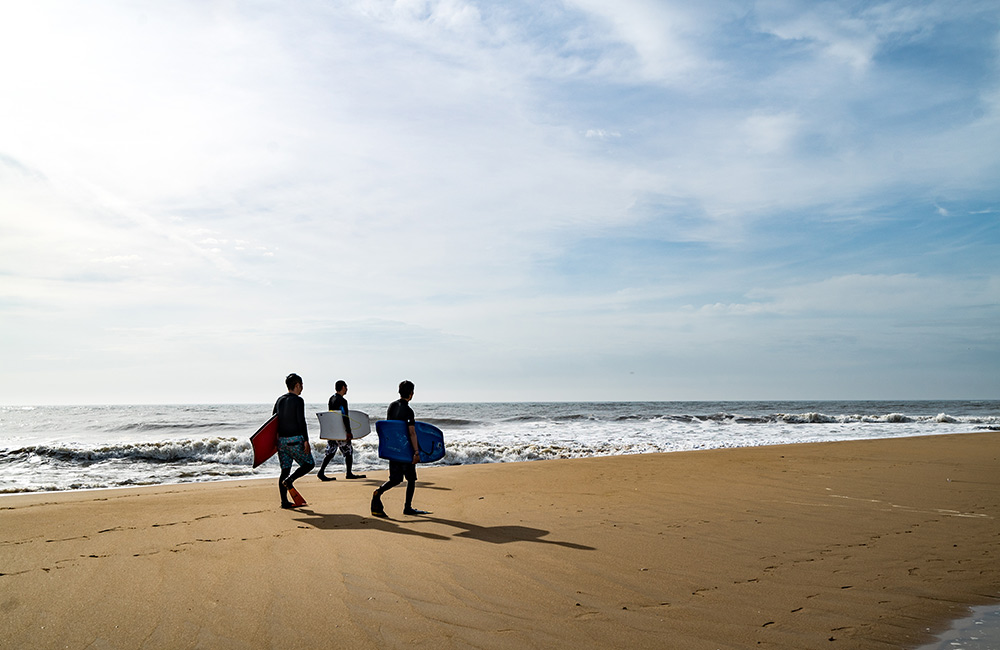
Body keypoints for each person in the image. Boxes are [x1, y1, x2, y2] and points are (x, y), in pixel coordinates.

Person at [370, 380, 427, 517]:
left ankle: (379, 492)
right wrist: (416, 452)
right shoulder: (408, 411)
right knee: (411, 479)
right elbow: (412, 432)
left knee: (395, 479)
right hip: (405, 451)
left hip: (393, 449)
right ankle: (408, 507)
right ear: (411, 394)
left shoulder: (392, 406)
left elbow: (391, 427)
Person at [273, 373, 315, 509]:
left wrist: (275, 442)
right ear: (297, 385)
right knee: (309, 464)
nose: (302, 388)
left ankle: (284, 502)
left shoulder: (279, 400)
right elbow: (301, 421)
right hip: (295, 439)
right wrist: (306, 440)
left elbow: (273, 421)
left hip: (282, 442)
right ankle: (290, 480)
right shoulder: (298, 400)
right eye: (301, 385)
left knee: (285, 470)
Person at [318, 380, 366, 481]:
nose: (347, 389)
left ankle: (321, 472)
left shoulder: (331, 399)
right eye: (346, 387)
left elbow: (332, 416)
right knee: (348, 451)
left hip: (333, 431)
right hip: (340, 431)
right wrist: (348, 431)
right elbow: (344, 416)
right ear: (343, 387)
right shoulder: (343, 401)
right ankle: (349, 473)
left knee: (330, 451)